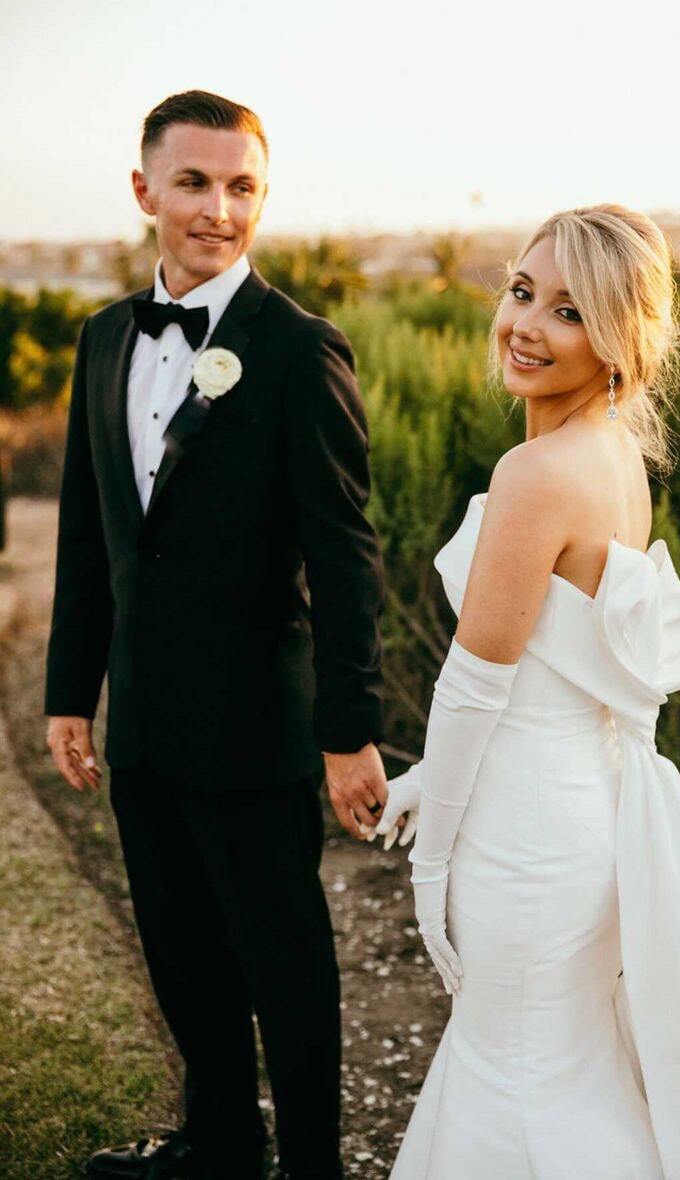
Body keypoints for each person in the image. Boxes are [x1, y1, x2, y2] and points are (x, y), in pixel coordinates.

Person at [377, 205, 680, 1178]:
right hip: (584, 813)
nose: (526, 324)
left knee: (519, 1073)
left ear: (619, 343)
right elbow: (552, 674)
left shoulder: (536, 473)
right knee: (557, 1061)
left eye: (569, 311)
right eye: (523, 291)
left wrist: (431, 863)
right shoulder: (616, 459)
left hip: (524, 841)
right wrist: (425, 778)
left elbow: (477, 688)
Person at [44, 90, 387, 1180]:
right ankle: (221, 1147)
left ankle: (313, 1170)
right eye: (194, 182)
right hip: (143, 724)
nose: (218, 209)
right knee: (183, 959)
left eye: (242, 187)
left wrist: (349, 730)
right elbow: (89, 540)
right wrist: (69, 691)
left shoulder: (297, 349)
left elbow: (346, 559)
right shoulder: (102, 341)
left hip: (259, 729)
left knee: (284, 965)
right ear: (144, 190)